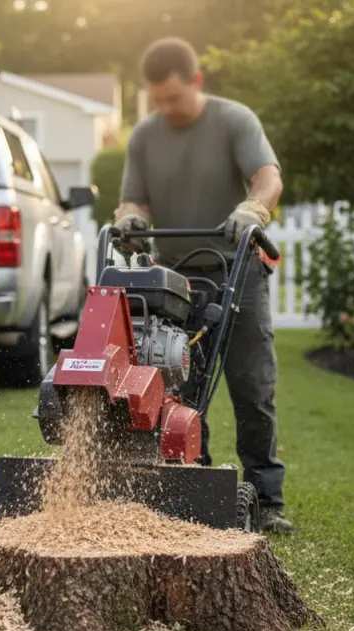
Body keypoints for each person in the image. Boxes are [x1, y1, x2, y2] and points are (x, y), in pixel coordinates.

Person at [114, 37, 293, 534]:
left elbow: (267, 176)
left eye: (174, 97)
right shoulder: (144, 136)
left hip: (239, 271)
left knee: (253, 387)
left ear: (196, 82)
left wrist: (252, 209)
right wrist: (130, 218)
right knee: (181, 386)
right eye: (158, 101)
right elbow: (134, 200)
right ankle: (198, 488)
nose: (166, 109)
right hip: (176, 281)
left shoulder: (235, 120)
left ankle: (268, 500)